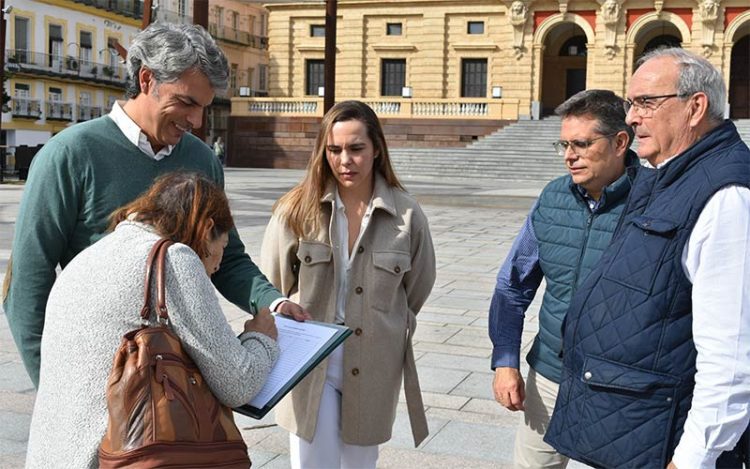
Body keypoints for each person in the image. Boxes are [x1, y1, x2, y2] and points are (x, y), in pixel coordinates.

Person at [2, 23, 306, 388]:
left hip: (185, 385)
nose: (195, 121)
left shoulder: (203, 161)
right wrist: (52, 386)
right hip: (99, 376)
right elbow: (27, 286)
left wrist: (271, 303)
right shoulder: (69, 155)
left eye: (204, 108)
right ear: (146, 79)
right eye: (186, 102)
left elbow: (230, 259)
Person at [545, 48, 750, 468]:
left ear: (695, 107)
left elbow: (731, 355)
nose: (632, 117)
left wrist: (694, 457)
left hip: (667, 442)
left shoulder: (726, 195)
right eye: (630, 103)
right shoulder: (668, 174)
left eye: (646, 103)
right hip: (634, 425)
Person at [24, 172, 280, 468]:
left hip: (53, 453)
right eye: (222, 247)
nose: (217, 265)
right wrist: (261, 337)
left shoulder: (92, 254)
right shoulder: (173, 259)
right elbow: (238, 383)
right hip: (111, 456)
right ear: (207, 227)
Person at [260, 100, 436, 468]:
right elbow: (271, 282)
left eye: (356, 149)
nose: (345, 160)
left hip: (374, 360)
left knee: (360, 463)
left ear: (376, 150)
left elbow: (417, 288)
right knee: (312, 463)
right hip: (312, 360)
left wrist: (382, 317)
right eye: (335, 149)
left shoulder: (406, 215)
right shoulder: (296, 210)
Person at [489, 89, 636, 469]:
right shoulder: (553, 197)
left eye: (582, 144)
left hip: (621, 390)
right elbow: (513, 285)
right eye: (564, 144)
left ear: (620, 142)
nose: (569, 155)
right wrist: (506, 361)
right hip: (550, 378)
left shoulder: (653, 202)